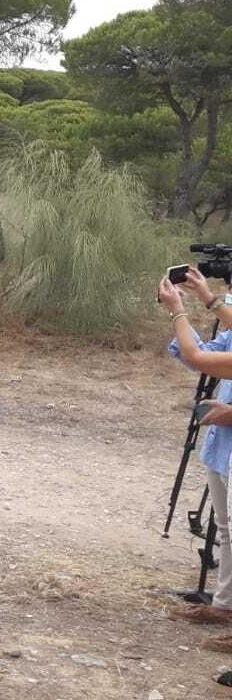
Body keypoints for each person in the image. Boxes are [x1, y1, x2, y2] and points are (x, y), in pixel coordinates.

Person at [161, 269, 232, 631]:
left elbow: (199, 358)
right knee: (226, 528)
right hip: (223, 447)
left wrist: (179, 310)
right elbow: (199, 355)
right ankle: (224, 606)